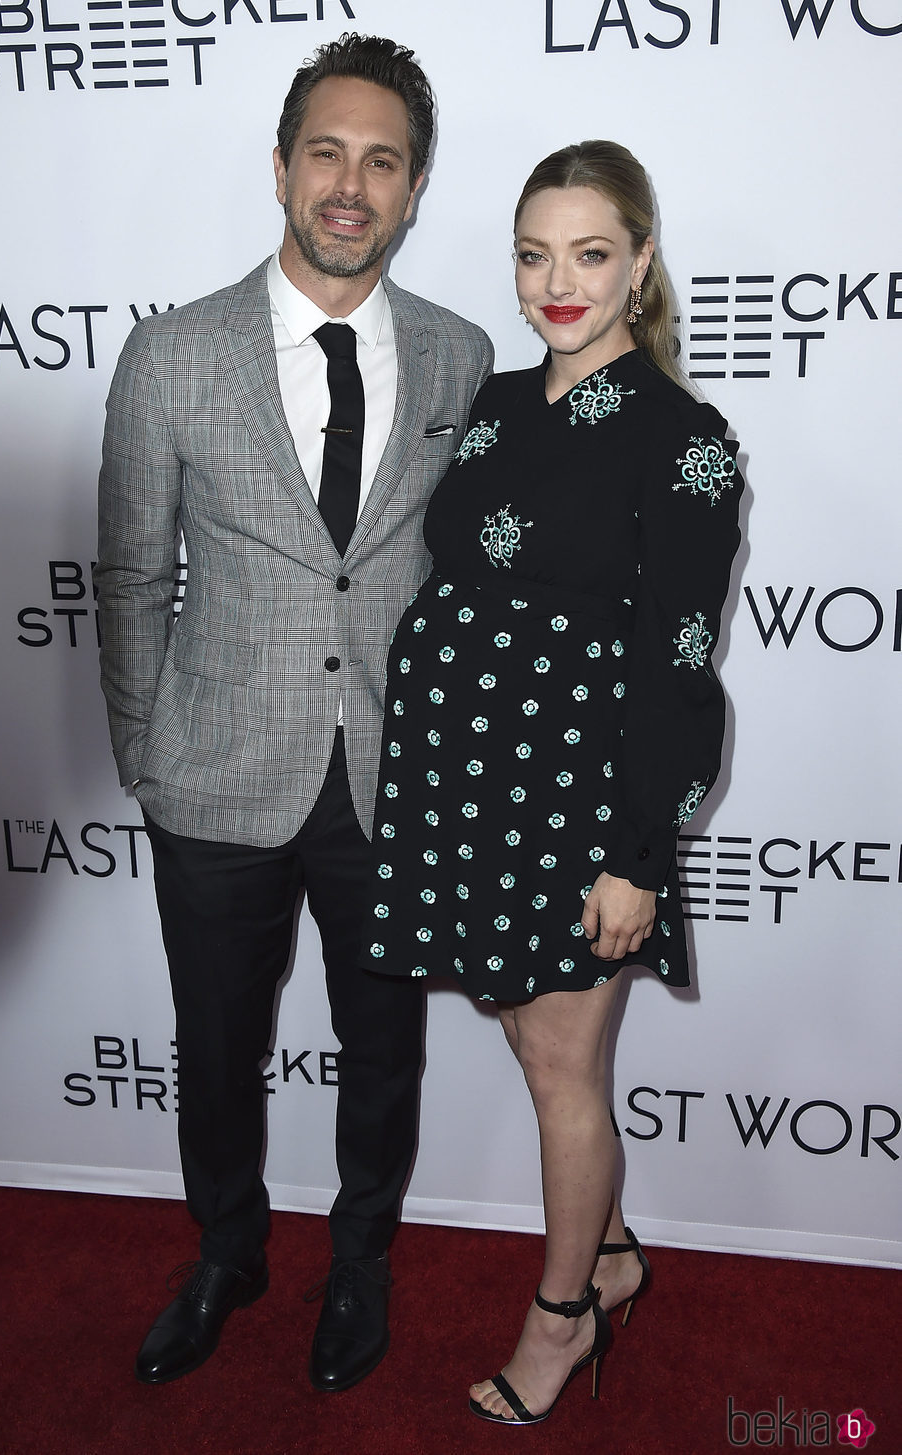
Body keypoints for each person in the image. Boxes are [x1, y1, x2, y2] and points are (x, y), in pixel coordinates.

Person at [95, 33, 492, 1392]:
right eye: (327, 151)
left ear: (415, 188)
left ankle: (363, 1258)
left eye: (382, 160)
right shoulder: (170, 355)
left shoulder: (459, 354)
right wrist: (146, 752)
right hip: (214, 768)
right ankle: (227, 1248)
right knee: (217, 1037)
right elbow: (135, 568)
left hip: (394, 775)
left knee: (384, 1046)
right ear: (280, 167)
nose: (350, 184)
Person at [363, 140, 744, 1423]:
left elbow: (679, 662)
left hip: (580, 805)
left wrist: (638, 851)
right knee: (533, 1042)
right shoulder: (496, 400)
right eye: (534, 253)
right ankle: (618, 1255)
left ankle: (562, 1318)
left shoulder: (681, 440)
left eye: (589, 253)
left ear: (639, 264)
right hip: (469, 789)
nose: (557, 281)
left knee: (559, 1074)